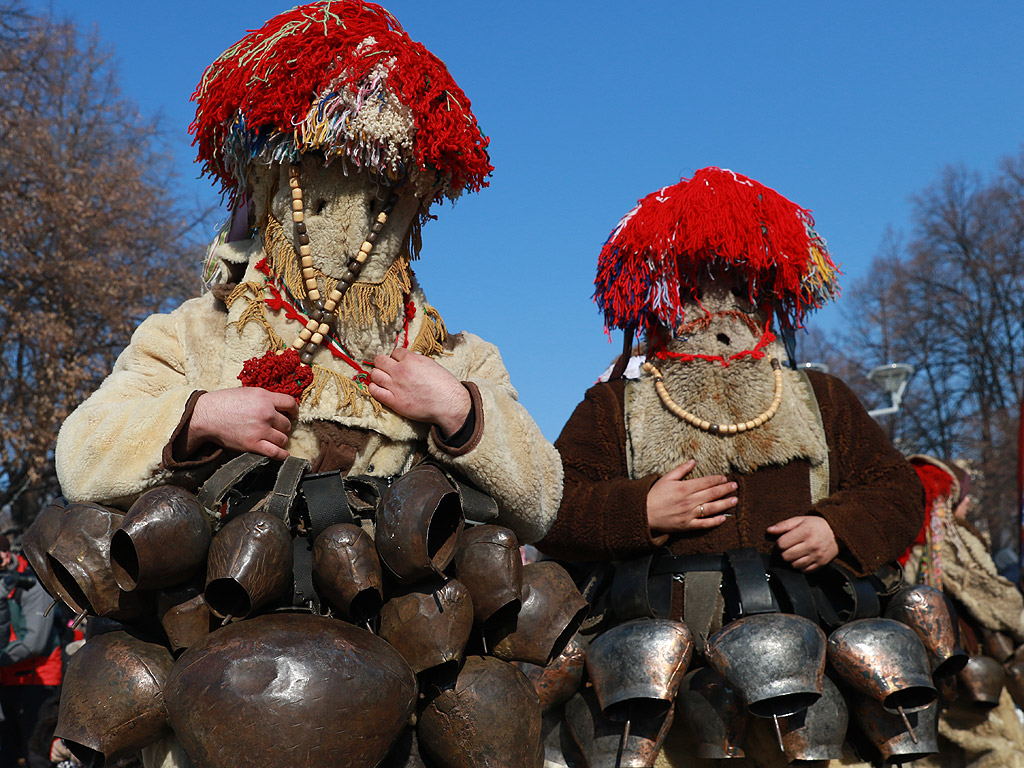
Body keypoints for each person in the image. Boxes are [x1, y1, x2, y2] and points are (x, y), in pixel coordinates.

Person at [53, 0, 561, 547]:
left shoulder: (460, 359)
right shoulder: (192, 333)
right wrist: (200, 416)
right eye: (319, 187)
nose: (349, 227)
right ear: (270, 188)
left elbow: (542, 503)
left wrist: (458, 410)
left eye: (381, 197)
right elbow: (81, 457)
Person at [537, 167, 925, 767]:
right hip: (658, 683)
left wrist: (837, 530)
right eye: (693, 282)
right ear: (662, 293)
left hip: (811, 666)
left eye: (738, 280)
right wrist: (637, 512)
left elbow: (898, 491)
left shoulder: (821, 395)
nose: (717, 302)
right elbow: (555, 508)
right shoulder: (616, 405)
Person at [902, 455, 1024, 768]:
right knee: (1000, 749)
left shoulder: (901, 543)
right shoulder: (947, 540)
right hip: (967, 672)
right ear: (945, 499)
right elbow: (989, 595)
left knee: (936, 757)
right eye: (962, 495)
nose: (968, 503)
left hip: (918, 672)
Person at [0, 535, 63, 768]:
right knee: (7, 753)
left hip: (38, 680)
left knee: (36, 753)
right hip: (6, 680)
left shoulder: (31, 582)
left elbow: (34, 642)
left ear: (8, 553)